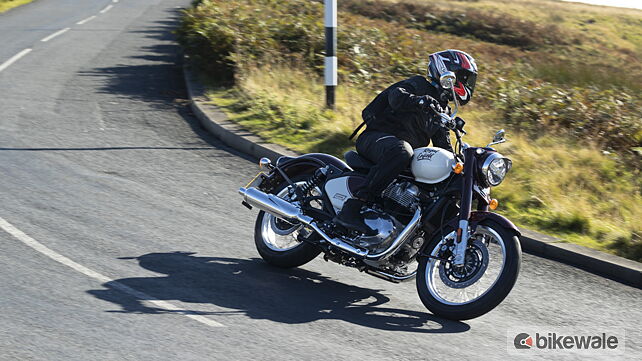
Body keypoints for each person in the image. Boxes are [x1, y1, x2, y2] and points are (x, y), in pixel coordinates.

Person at [335, 49, 478, 235]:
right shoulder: (418, 84)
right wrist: (418, 100)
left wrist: (461, 165)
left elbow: (443, 146)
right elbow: (396, 96)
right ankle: (353, 207)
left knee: (444, 174)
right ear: (447, 71)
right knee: (402, 152)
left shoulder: (442, 109)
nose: (466, 84)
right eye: (464, 77)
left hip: (400, 153)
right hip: (376, 139)